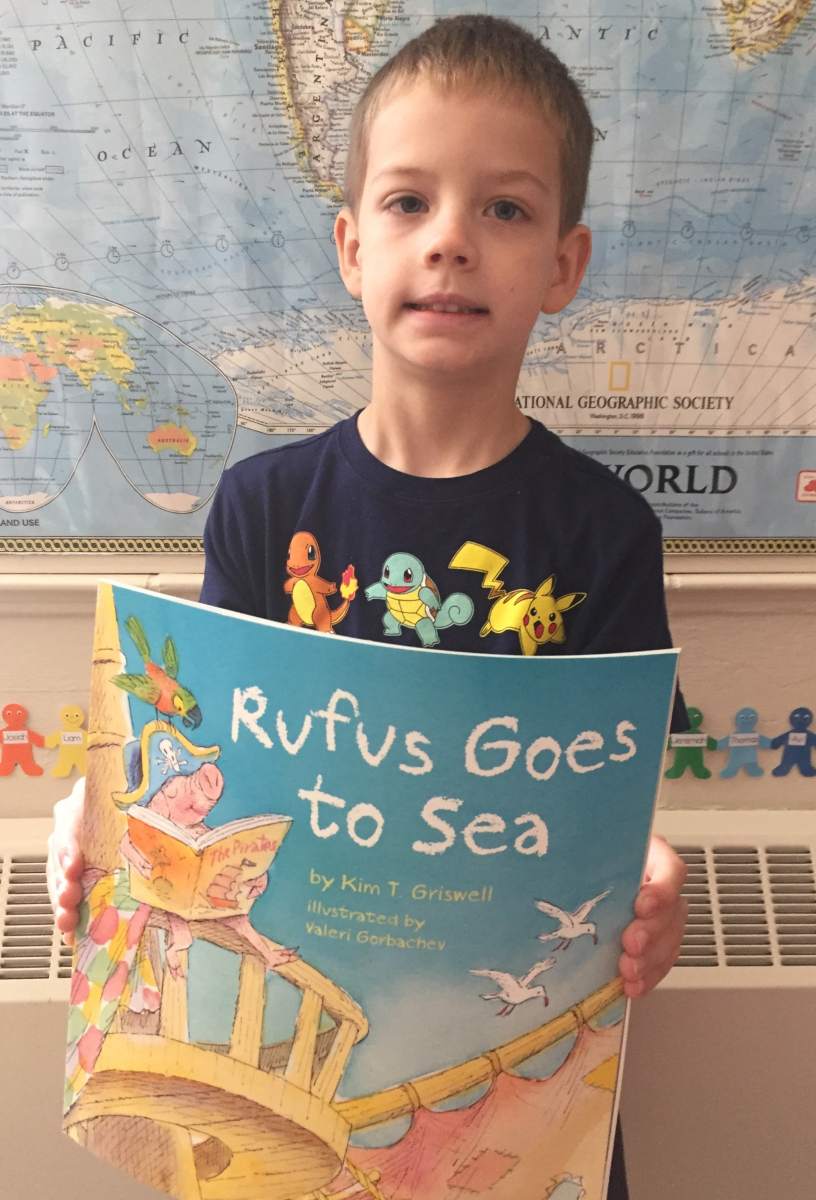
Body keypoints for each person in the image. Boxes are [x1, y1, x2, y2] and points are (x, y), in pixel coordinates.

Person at [48, 14, 688, 1196]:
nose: (450, 240)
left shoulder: (605, 534)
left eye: (504, 208)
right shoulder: (262, 508)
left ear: (563, 266)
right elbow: (208, 761)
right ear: (352, 246)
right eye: (407, 201)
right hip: (314, 1079)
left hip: (515, 1082)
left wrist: (654, 883)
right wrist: (98, 828)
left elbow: (620, 806)